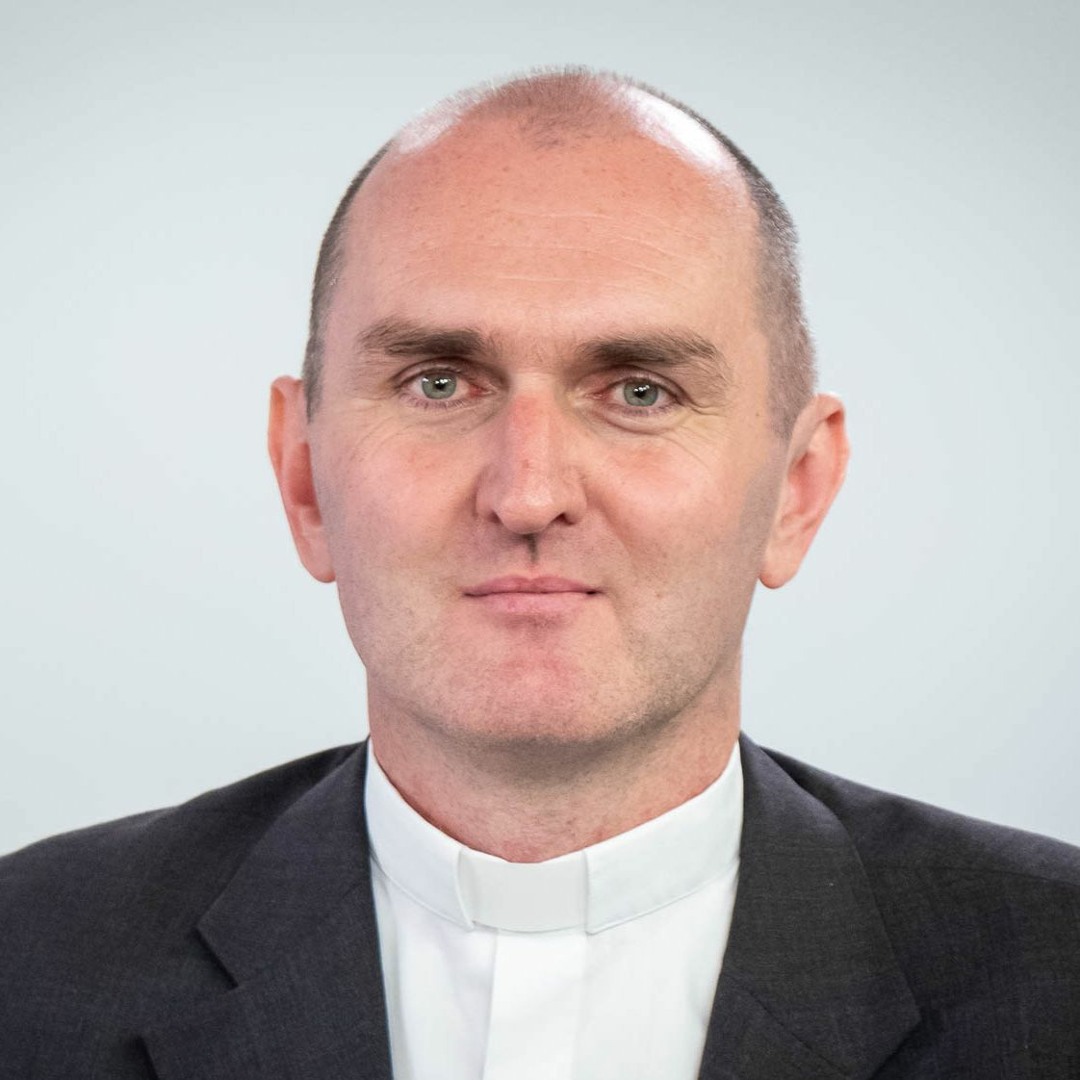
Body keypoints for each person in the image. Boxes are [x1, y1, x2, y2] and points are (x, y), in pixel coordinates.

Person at [2, 67, 1078, 1080]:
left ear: (796, 490)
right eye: (437, 383)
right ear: (304, 480)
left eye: (641, 391)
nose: (527, 494)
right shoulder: (26, 960)